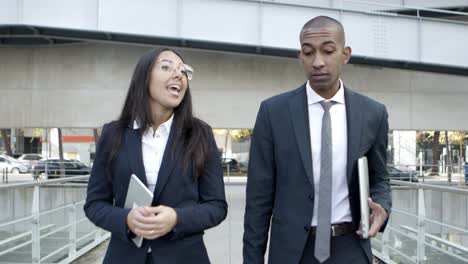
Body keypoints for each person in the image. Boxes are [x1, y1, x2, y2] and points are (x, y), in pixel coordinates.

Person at [243, 16, 391, 264]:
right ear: (300, 56)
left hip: (350, 247)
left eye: (328, 51)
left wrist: (383, 206)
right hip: (291, 252)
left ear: (345, 54)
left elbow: (380, 177)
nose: (318, 62)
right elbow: (258, 200)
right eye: (308, 52)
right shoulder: (273, 112)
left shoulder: (372, 113)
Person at [84, 48, 227, 264]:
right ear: (144, 77)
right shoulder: (113, 134)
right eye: (166, 66)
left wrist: (177, 218)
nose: (178, 74)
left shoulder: (200, 134)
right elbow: (95, 204)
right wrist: (126, 220)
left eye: (183, 70)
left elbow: (216, 206)